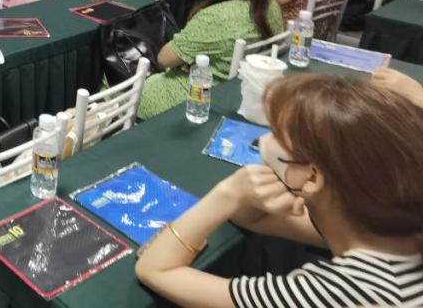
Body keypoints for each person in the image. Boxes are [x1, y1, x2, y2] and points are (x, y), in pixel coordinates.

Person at [135, 73, 423, 307]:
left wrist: (228, 193)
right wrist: (251, 196)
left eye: (276, 134)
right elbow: (254, 219)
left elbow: (155, 270)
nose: (263, 139)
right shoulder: (384, 227)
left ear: (312, 176)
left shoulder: (344, 292)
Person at [139, 0, 283, 119]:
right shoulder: (271, 4)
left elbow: (164, 58)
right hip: (236, 92)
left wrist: (188, 59)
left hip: (193, 98)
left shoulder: (217, 17)